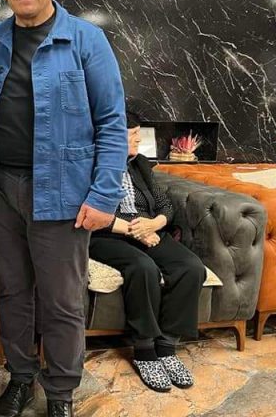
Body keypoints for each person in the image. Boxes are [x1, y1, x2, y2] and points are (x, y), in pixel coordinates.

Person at [0, 0, 127, 417]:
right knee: (12, 292)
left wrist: (104, 193)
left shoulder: (87, 40)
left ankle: (62, 392)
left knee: (62, 299)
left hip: (64, 194)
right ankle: (20, 377)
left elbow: (112, 122)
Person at [89, 112, 206, 392]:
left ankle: (166, 346)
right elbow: (87, 212)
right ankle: (144, 351)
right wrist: (134, 230)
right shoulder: (90, 165)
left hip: (149, 229)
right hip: (107, 234)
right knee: (143, 268)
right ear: (111, 137)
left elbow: (165, 205)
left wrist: (154, 224)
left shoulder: (139, 164)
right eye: (132, 134)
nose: (138, 140)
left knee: (191, 268)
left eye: (138, 133)